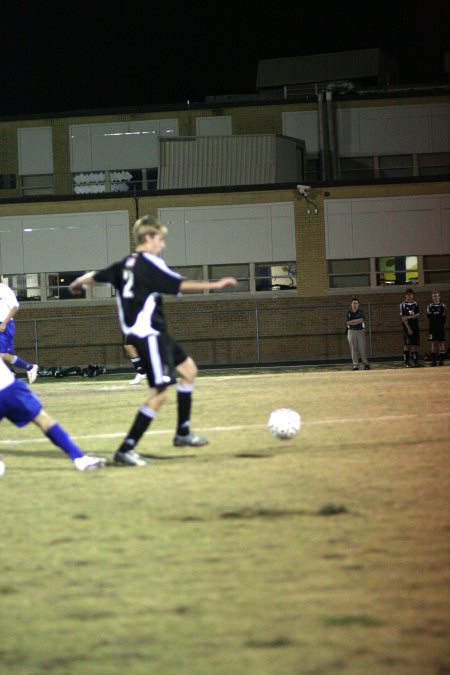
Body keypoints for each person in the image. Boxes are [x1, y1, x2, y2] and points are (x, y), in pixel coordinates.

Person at [69, 215, 238, 466]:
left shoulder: (124, 264)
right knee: (160, 393)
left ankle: (182, 433)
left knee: (189, 371)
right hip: (149, 335)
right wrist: (216, 284)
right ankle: (126, 449)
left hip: (154, 333)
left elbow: (96, 276)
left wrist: (77, 283)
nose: (163, 245)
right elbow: (181, 284)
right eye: (161, 239)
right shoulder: (150, 264)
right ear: (148, 238)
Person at [0, 356, 105, 471]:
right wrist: (26, 366)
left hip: (7, 386)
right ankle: (79, 458)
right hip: (8, 388)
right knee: (43, 419)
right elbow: (3, 354)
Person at [0, 281, 38, 384]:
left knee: (2, 355)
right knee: (3, 355)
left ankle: (29, 367)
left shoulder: (4, 289)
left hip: (5, 325)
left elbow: (15, 306)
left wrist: (4, 323)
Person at [345, 298, 370, 370]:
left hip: (360, 331)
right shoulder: (348, 313)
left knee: (362, 348)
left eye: (356, 303)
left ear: (358, 305)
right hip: (351, 331)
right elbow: (348, 322)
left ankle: (366, 364)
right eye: (353, 303)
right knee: (353, 348)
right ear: (351, 304)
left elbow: (361, 320)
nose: (355, 305)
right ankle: (355, 365)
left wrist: (353, 321)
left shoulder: (360, 312)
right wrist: (357, 321)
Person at [400, 288, 421, 367]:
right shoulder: (402, 305)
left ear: (413, 296)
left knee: (414, 344)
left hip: (415, 326)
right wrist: (408, 328)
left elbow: (418, 314)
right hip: (407, 327)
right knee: (407, 344)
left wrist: (408, 317)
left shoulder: (415, 304)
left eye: (411, 295)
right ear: (405, 296)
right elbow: (403, 318)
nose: (410, 296)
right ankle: (406, 362)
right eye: (408, 295)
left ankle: (415, 362)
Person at [426, 291, 446, 366]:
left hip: (440, 327)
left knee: (441, 343)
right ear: (432, 298)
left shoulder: (443, 306)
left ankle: (441, 361)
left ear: (439, 297)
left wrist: (435, 316)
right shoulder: (429, 306)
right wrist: (437, 316)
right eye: (434, 296)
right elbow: (429, 317)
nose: (435, 298)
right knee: (433, 343)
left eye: (436, 296)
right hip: (432, 328)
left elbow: (443, 317)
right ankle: (433, 361)